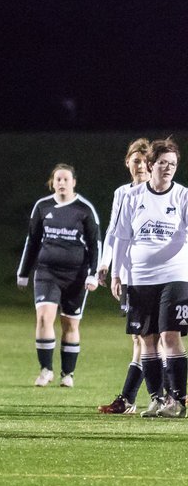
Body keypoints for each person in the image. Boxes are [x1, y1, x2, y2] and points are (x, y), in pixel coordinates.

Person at [110, 138, 188, 418]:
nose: (168, 168)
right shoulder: (133, 197)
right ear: (151, 164)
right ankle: (157, 398)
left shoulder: (182, 196)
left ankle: (178, 400)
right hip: (141, 277)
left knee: (170, 335)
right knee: (147, 338)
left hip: (175, 275)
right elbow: (120, 237)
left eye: (173, 164)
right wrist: (117, 272)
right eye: (163, 163)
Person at [15, 164, 102, 387]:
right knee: (44, 317)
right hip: (47, 273)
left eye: (66, 179)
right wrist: (23, 271)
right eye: (58, 179)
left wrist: (93, 274)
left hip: (76, 276)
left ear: (74, 182)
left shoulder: (84, 209)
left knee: (70, 325)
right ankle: (46, 370)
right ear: (52, 183)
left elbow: (95, 245)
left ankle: (67, 374)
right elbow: (32, 240)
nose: (62, 183)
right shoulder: (42, 206)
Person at [96, 138, 152, 414]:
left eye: (145, 161)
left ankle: (155, 396)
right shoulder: (122, 194)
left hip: (153, 274)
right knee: (140, 337)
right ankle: (137, 398)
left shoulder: (162, 193)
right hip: (129, 274)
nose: (141, 165)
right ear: (127, 162)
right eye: (136, 160)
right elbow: (114, 231)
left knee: (152, 336)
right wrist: (107, 264)